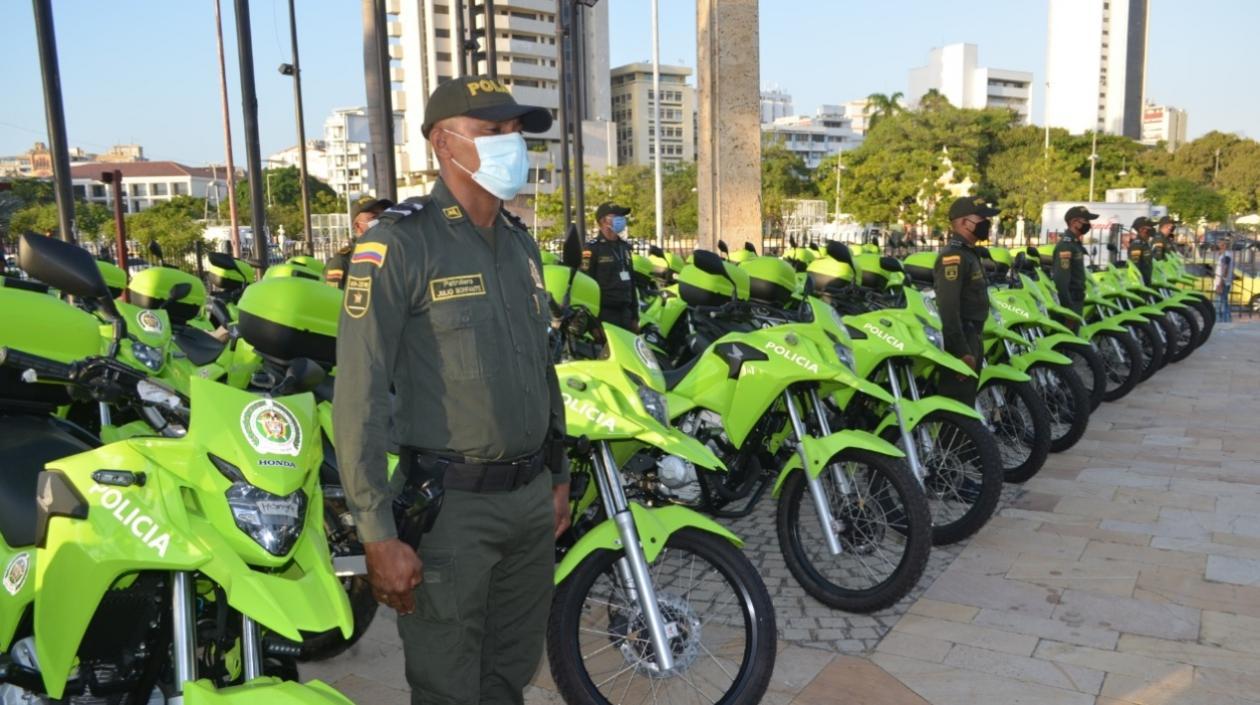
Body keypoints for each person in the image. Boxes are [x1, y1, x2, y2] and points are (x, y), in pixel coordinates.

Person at [333, 75, 570, 705]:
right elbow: (357, 394)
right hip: (451, 511)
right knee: (448, 686)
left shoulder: (521, 245)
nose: (511, 144)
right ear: (444, 142)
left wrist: (558, 473)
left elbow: (540, 369)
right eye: (494, 132)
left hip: (527, 502)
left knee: (510, 672)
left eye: (517, 132)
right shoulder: (398, 243)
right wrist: (378, 533)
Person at [934, 196, 998, 405]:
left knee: (966, 400)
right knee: (957, 406)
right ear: (963, 222)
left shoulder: (969, 253)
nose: (986, 224)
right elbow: (948, 308)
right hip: (962, 339)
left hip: (973, 335)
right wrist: (961, 351)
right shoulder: (954, 257)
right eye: (980, 218)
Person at [583, 202, 638, 331]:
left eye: (622, 216)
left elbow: (632, 283)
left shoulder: (624, 247)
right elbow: (586, 285)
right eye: (617, 216)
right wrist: (593, 324)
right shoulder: (591, 248)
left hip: (626, 314)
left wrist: (635, 316)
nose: (622, 219)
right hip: (604, 315)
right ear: (603, 221)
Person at [324, 198, 394, 288]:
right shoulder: (342, 261)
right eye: (374, 217)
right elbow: (333, 297)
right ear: (357, 226)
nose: (381, 221)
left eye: (383, 216)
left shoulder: (392, 255)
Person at [1054, 206, 1095, 327]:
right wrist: (1067, 309)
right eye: (1085, 221)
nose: (1088, 224)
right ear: (1073, 222)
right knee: (1070, 343)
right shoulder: (1066, 246)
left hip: (1077, 299)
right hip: (1071, 301)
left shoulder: (1074, 243)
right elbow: (1061, 281)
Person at [1128, 216, 1155, 286]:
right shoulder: (1137, 245)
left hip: (1147, 281)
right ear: (1142, 229)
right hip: (1140, 284)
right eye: (1149, 227)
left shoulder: (1145, 244)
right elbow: (1135, 266)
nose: (1152, 229)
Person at [1213, 237, 1234, 322]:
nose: (1218, 246)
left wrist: (1220, 284)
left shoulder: (1226, 256)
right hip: (1224, 282)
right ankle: (1227, 320)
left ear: (1224, 246)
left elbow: (1225, 270)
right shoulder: (1225, 255)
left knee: (1220, 304)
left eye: (1220, 244)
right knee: (1223, 302)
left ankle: (1224, 321)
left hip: (1223, 283)